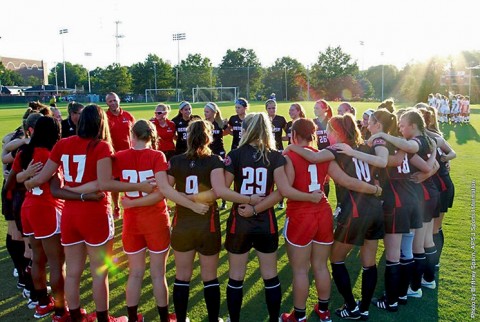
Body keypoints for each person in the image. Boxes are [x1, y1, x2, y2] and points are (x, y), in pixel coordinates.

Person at [25, 104, 142, 322]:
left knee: (72, 272)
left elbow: (42, 179)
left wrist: (26, 179)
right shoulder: (102, 147)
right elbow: (105, 184)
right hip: (95, 213)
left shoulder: (63, 143)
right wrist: (139, 187)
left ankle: (75, 316)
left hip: (70, 214)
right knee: (99, 273)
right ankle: (103, 318)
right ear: (101, 122)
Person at [211, 112, 323, 322]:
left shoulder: (235, 154)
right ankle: (273, 319)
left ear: (247, 129)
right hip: (266, 221)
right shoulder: (275, 155)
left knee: (236, 276)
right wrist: (258, 206)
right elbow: (281, 191)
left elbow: (222, 191)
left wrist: (250, 201)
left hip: (240, 220)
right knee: (270, 275)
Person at [280, 118, 384, 322]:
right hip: (326, 212)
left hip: (303, 213)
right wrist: (375, 188)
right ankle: (325, 310)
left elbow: (287, 190)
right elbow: (343, 178)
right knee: (321, 265)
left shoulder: (294, 154)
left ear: (293, 135)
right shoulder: (328, 155)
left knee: (302, 269)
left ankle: (299, 317)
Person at [98, 119, 202, 322]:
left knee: (135, 273)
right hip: (155, 220)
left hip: (132, 223)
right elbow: (163, 191)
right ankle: (164, 318)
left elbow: (105, 182)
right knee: (158, 274)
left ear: (132, 135)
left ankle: (132, 317)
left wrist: (130, 203)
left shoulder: (119, 156)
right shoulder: (157, 155)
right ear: (152, 136)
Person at [368, 109, 440, 300]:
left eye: (369, 122)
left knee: (399, 251)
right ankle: (408, 290)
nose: (366, 125)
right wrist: (431, 158)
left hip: (403, 199)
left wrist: (358, 153)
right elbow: (426, 164)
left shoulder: (393, 144)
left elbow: (388, 161)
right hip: (414, 198)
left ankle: (394, 297)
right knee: (408, 248)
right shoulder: (403, 145)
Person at [166, 119, 225, 322]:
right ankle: (213, 319)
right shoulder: (214, 160)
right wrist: (196, 198)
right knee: (210, 276)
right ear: (208, 137)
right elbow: (217, 192)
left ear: (188, 137)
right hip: (206, 223)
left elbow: (168, 191)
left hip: (182, 223)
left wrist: (186, 198)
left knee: (182, 276)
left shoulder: (176, 160)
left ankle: (181, 319)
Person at [12, 116, 66, 319]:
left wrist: (26, 176)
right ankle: (61, 310)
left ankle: (42, 303)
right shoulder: (49, 154)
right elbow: (58, 184)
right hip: (46, 208)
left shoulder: (24, 151)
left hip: (28, 207)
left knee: (37, 258)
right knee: (56, 261)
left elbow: (15, 179)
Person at [105, 92, 135, 219]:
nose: (113, 103)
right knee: (114, 183)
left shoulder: (128, 116)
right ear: (107, 103)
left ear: (119, 100)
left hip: (129, 155)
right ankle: (116, 207)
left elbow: (135, 133)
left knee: (131, 181)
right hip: (113, 156)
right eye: (110, 101)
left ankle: (132, 205)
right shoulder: (105, 117)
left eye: (114, 100)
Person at [265, 99, 288, 209]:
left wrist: (279, 138)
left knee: (280, 176)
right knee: (268, 176)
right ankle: (268, 199)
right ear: (266, 109)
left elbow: (288, 135)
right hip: (267, 150)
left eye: (273, 108)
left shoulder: (281, 119)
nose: (271, 110)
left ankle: (280, 201)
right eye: (269, 108)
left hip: (279, 151)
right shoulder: (263, 119)